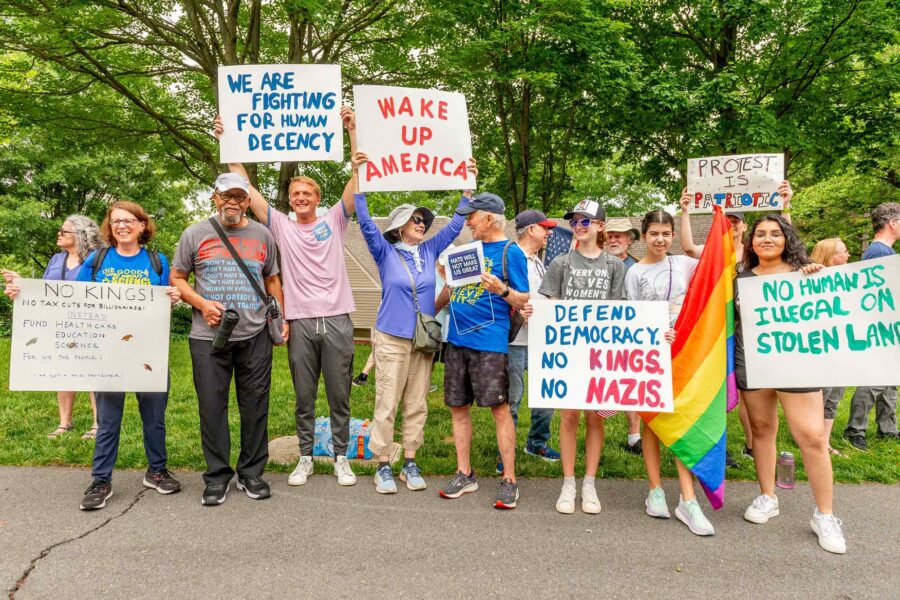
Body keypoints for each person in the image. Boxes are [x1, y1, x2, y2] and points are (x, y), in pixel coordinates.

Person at [215, 110, 360, 487]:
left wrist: (352, 132)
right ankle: (306, 457)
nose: (300, 198)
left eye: (307, 193)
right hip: (299, 322)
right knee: (304, 396)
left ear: (317, 199)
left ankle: (341, 458)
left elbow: (357, 180)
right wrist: (229, 141)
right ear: (291, 201)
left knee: (340, 395)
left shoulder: (334, 220)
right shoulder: (279, 225)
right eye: (295, 194)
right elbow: (245, 186)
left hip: (338, 319)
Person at [350, 151, 474, 493]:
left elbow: (454, 226)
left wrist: (467, 191)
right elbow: (364, 220)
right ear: (399, 226)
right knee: (387, 402)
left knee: (417, 403)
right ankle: (382, 464)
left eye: (423, 221)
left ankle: (410, 462)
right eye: (415, 220)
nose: (422, 224)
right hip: (391, 338)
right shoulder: (384, 251)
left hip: (423, 340)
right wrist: (358, 175)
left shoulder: (430, 250)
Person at [171, 173, 286, 506]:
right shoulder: (194, 234)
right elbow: (177, 277)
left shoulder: (263, 235)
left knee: (255, 406)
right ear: (215, 197)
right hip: (208, 338)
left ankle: (251, 473)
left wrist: (281, 318)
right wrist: (202, 304)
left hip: (255, 334)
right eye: (226, 196)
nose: (232, 202)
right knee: (211, 408)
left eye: (239, 196)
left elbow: (272, 280)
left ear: (248, 201)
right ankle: (217, 476)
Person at [735, 214, 846, 554]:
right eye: (760, 234)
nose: (767, 239)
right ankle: (768, 496)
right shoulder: (740, 279)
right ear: (751, 242)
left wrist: (819, 279)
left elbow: (831, 308)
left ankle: (825, 515)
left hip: (796, 363)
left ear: (787, 239)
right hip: (752, 363)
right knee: (761, 429)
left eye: (775, 233)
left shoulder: (806, 274)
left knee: (811, 436)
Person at [71, 202, 180, 509]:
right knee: (108, 420)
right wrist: (23, 292)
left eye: (129, 220)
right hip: (109, 353)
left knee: (154, 418)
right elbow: (73, 300)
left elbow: (164, 303)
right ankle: (101, 480)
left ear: (142, 225)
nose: (121, 226)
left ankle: (157, 471)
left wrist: (172, 297)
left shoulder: (157, 261)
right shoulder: (97, 260)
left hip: (149, 352)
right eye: (116, 221)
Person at [624, 210, 715, 535]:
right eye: (654, 233)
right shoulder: (634, 272)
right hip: (650, 355)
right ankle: (655, 490)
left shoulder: (685, 264)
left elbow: (718, 264)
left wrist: (689, 212)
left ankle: (688, 499)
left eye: (665, 233)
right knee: (652, 421)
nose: (660, 239)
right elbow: (632, 318)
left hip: (684, 353)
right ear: (643, 237)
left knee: (680, 421)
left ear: (673, 235)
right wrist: (651, 336)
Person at [438, 193, 530, 509]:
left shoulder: (510, 252)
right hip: (456, 340)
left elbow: (524, 299)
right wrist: (426, 310)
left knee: (499, 409)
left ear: (489, 218)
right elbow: (449, 291)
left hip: (489, 343)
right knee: (458, 407)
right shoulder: (467, 251)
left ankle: (509, 479)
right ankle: (464, 473)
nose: (467, 223)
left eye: (471, 217)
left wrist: (501, 290)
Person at [538, 198, 625, 515]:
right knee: (569, 416)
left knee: (595, 417)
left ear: (600, 226)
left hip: (600, 353)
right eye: (574, 221)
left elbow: (619, 311)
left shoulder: (614, 266)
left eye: (585, 221)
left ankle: (589, 483)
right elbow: (550, 305)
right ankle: (568, 482)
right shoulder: (561, 263)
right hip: (568, 352)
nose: (578, 226)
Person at [2, 215, 103, 440]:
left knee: (93, 371)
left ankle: (98, 424)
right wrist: (22, 284)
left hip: (90, 323)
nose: (58, 234)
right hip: (58, 324)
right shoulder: (57, 259)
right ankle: (65, 422)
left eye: (63, 231)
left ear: (81, 235)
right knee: (64, 369)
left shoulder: (98, 259)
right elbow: (44, 290)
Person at [505, 209, 560, 469]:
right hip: (515, 340)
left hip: (540, 340)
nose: (549, 233)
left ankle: (537, 443)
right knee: (512, 399)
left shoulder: (538, 261)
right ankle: (506, 452)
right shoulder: (510, 255)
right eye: (544, 228)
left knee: (546, 396)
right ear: (530, 230)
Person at [843, 202, 900, 450]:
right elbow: (878, 295)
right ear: (892, 223)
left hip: (889, 325)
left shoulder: (884, 251)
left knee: (890, 379)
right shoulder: (879, 253)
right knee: (875, 379)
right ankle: (855, 430)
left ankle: (888, 428)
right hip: (880, 326)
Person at [605, 217, 644, 455]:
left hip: (630, 333)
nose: (613, 240)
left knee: (631, 383)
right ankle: (594, 435)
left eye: (618, 236)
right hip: (600, 333)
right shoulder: (597, 264)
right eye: (609, 236)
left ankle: (634, 437)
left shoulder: (637, 267)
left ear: (629, 240)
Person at [809, 238, 852, 456]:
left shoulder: (850, 280)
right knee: (822, 393)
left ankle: (825, 441)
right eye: (844, 251)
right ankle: (815, 439)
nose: (848, 255)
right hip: (822, 348)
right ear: (831, 256)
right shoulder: (812, 280)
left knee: (836, 392)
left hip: (844, 345)